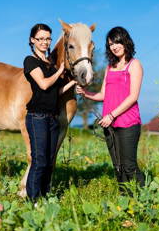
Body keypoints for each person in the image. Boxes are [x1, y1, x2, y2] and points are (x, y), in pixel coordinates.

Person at [76, 26, 145, 189]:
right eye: (110, 44)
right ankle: (125, 201)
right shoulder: (109, 67)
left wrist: (112, 115)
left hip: (128, 123)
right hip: (110, 124)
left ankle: (144, 198)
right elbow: (103, 95)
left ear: (125, 41)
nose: (114, 46)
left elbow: (133, 96)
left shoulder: (134, 65)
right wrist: (86, 93)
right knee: (118, 168)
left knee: (129, 166)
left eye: (117, 42)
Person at [23, 23, 76, 202]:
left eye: (47, 38)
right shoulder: (30, 61)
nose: (45, 42)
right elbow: (44, 84)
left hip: (52, 119)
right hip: (36, 117)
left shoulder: (50, 65)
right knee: (39, 161)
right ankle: (33, 200)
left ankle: (45, 198)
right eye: (40, 39)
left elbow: (56, 92)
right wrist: (60, 71)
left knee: (49, 162)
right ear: (33, 40)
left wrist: (74, 83)